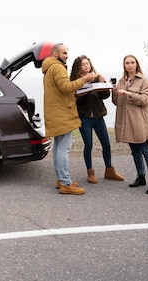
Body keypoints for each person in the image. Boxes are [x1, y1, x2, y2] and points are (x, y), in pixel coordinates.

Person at [42, 43, 96, 195]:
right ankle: (66, 183)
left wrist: (76, 93)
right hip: (62, 114)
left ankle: (61, 179)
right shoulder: (58, 67)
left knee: (58, 147)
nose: (67, 56)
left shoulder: (48, 68)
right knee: (63, 149)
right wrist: (85, 79)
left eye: (67, 53)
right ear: (55, 54)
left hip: (54, 112)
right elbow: (66, 87)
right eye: (64, 53)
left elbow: (60, 91)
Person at [70, 55, 125, 184]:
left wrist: (102, 84)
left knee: (106, 144)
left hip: (98, 116)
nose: (86, 66)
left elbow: (104, 96)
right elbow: (76, 101)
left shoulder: (96, 78)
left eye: (87, 63)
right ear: (78, 67)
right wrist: (85, 90)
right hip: (85, 118)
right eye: (83, 64)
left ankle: (109, 170)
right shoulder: (75, 81)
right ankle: (90, 172)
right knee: (88, 145)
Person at [111, 55, 148, 194]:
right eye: (127, 63)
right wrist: (114, 91)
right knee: (134, 150)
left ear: (136, 64)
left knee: (146, 149)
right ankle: (141, 176)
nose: (130, 65)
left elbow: (146, 99)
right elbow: (117, 102)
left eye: (132, 62)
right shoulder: (122, 81)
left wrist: (128, 93)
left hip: (139, 121)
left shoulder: (143, 81)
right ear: (124, 65)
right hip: (127, 122)